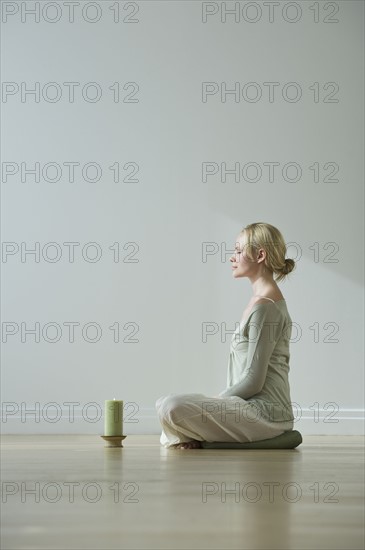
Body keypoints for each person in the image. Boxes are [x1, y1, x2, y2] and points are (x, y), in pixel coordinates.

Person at [155, 222, 296, 449]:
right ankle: (203, 439)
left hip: (266, 414)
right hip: (246, 408)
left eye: (239, 251)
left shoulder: (266, 306)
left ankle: (207, 440)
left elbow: (254, 381)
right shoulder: (260, 302)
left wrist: (216, 401)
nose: (232, 257)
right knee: (163, 403)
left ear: (260, 255)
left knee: (172, 406)